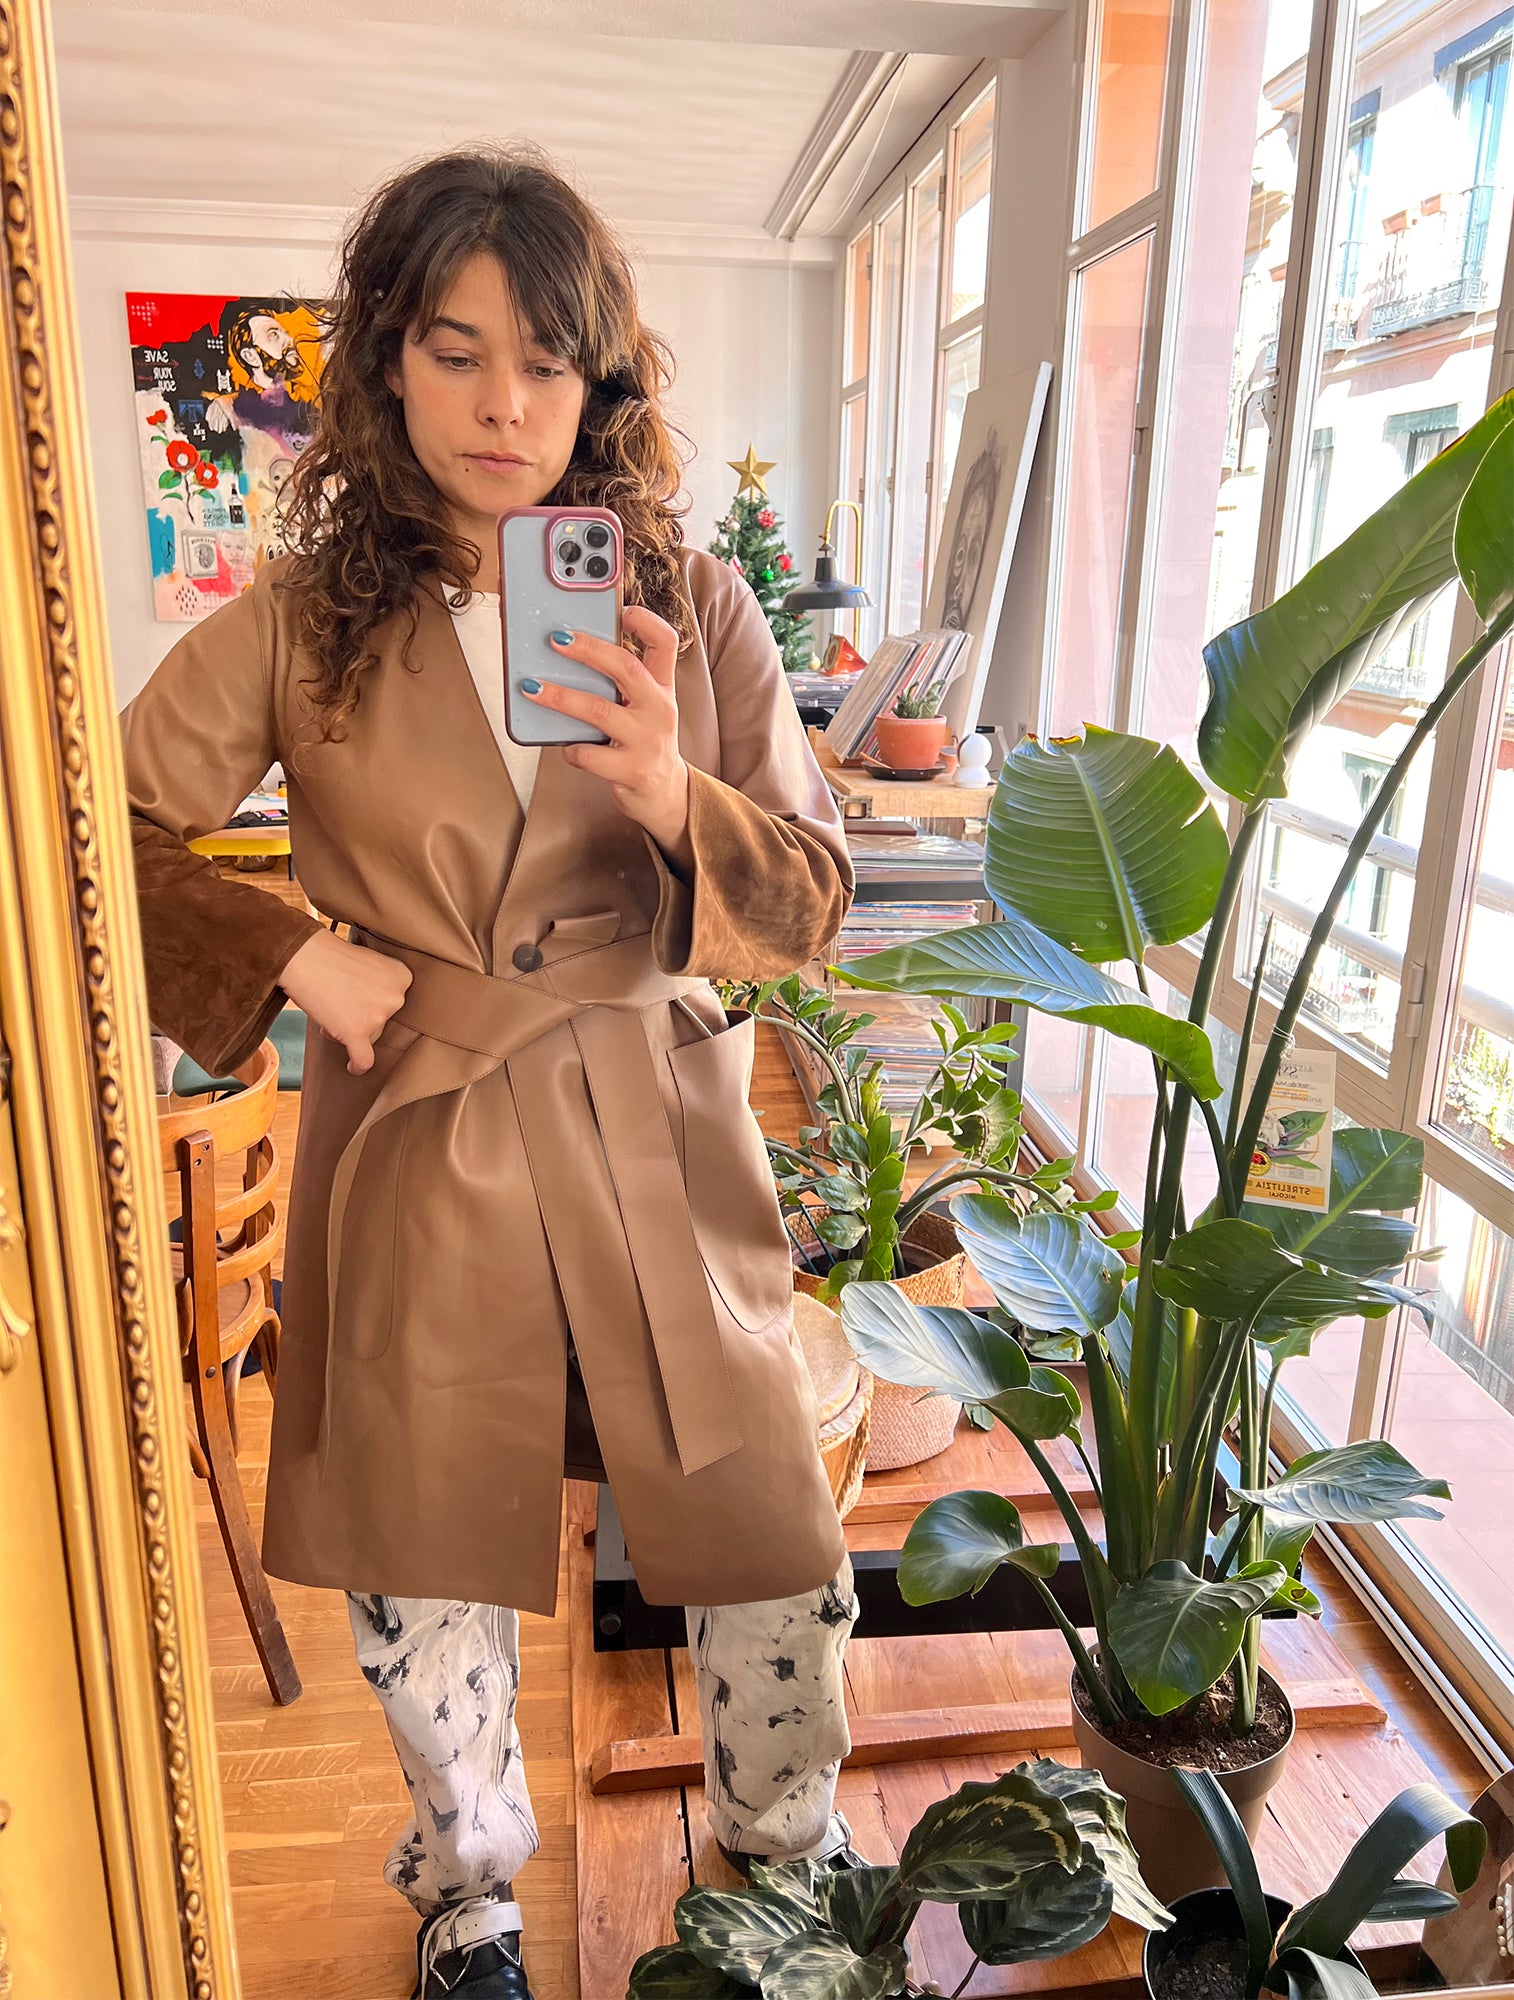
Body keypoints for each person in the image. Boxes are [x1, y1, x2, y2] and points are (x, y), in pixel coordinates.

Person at [121, 144, 866, 2000]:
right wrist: (288, 953)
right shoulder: (304, 621)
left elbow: (812, 897)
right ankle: (467, 1894)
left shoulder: (688, 605)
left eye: (545, 361)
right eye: (454, 353)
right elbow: (79, 824)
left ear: (599, 381)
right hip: (428, 1127)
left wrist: (669, 791)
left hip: (658, 1130)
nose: (502, 406)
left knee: (764, 1522)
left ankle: (787, 1851)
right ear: (387, 362)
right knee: (425, 1544)